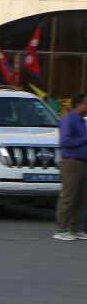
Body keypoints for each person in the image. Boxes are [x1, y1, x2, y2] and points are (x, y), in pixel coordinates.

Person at [56, 92, 87, 241]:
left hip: (82, 162)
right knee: (68, 196)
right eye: (86, 103)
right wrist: (84, 139)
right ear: (79, 104)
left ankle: (76, 229)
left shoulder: (82, 120)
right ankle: (61, 229)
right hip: (71, 161)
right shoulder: (69, 119)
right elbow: (65, 142)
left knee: (80, 198)